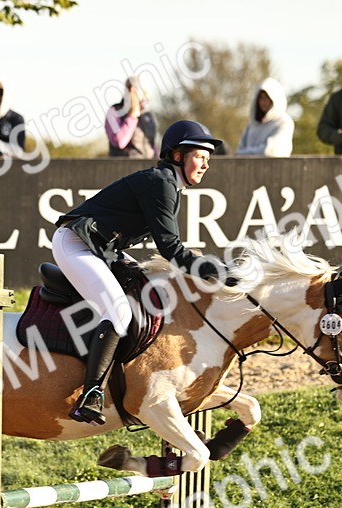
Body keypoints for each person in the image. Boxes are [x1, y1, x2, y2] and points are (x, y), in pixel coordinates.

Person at [53, 120, 235, 425]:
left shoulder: (168, 183)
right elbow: (172, 250)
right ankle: (92, 392)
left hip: (99, 247)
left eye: (208, 159)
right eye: (200, 157)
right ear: (178, 156)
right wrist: (218, 273)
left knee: (142, 287)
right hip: (77, 243)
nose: (205, 165)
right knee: (120, 311)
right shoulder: (162, 183)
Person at [236, 78, 294, 156]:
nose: (264, 101)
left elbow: (271, 151)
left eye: (267, 97)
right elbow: (239, 151)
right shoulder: (252, 124)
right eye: (261, 97)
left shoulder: (284, 122)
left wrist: (245, 153)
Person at [104, 76, 158, 159]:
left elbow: (152, 146)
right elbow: (119, 142)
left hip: (147, 167)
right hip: (124, 167)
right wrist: (132, 116)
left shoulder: (147, 114)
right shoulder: (114, 112)